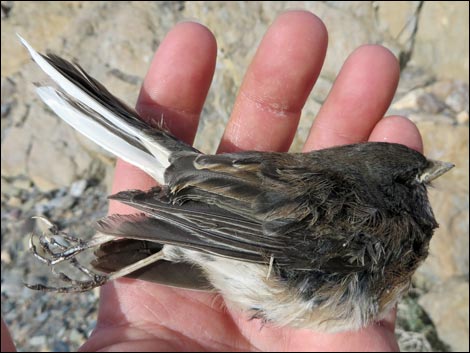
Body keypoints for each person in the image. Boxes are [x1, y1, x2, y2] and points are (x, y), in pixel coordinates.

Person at [2, 10, 423, 351]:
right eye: (415, 181)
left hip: (228, 236)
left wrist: (168, 233)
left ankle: (86, 251)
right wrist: (172, 224)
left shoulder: (353, 198)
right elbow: (259, 239)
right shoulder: (365, 222)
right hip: (231, 232)